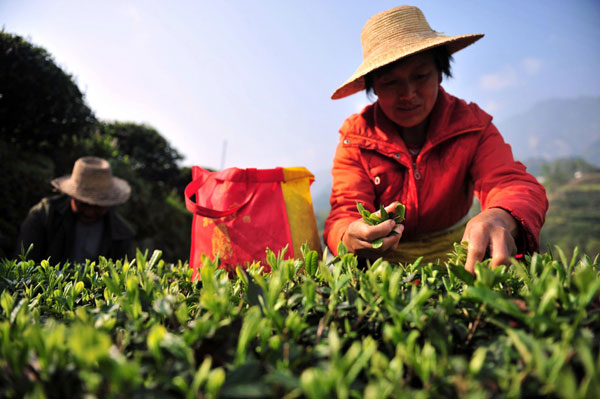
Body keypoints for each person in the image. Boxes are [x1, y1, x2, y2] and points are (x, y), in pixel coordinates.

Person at [324, 5, 548, 273]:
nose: (408, 93)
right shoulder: (356, 138)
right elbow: (345, 209)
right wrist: (350, 236)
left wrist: (501, 215)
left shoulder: (472, 126)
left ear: (441, 72)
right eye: (390, 83)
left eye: (420, 76)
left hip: (459, 250)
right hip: (382, 258)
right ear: (373, 88)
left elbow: (508, 182)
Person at [16, 156, 135, 264]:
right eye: (82, 204)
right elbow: (23, 266)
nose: (90, 212)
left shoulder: (121, 234)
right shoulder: (44, 215)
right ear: (72, 195)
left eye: (98, 206)